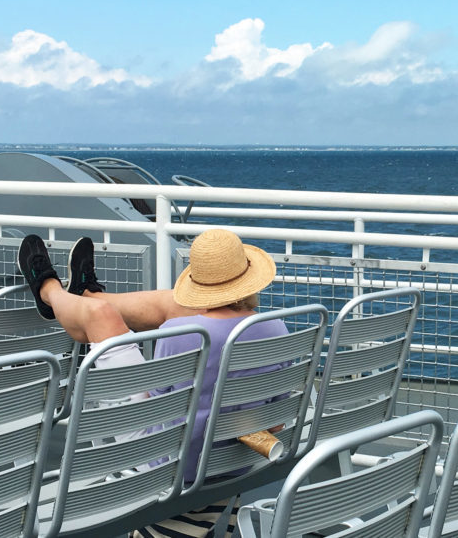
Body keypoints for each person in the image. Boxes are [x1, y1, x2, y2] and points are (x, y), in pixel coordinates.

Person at [17, 228, 288, 538]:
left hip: (167, 459)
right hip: (232, 459)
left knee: (100, 318)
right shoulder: (276, 328)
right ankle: (89, 295)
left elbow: (157, 408)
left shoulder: (182, 333)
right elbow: (275, 423)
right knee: (164, 304)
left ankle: (48, 292)